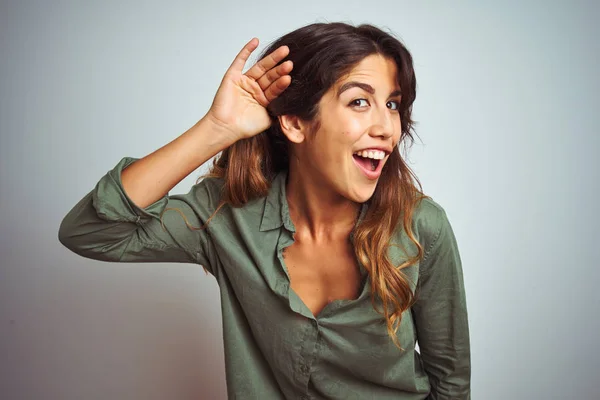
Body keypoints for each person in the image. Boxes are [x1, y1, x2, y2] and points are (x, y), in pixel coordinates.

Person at [59, 22, 470, 400]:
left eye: (393, 105)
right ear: (294, 124)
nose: (387, 128)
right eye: (360, 101)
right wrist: (215, 130)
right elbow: (92, 231)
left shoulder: (420, 229)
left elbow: (451, 383)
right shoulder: (225, 217)